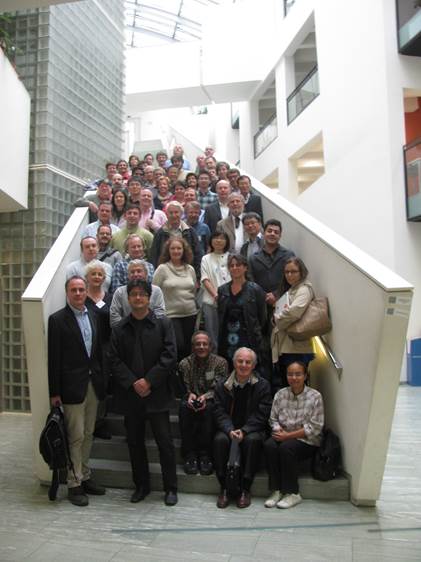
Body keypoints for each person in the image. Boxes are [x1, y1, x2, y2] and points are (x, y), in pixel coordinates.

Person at [109, 279, 178, 506]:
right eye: (134, 294)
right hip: (131, 396)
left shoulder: (163, 324)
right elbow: (114, 360)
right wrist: (133, 383)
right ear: (128, 298)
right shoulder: (119, 329)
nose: (138, 298)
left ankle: (171, 488)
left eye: (142, 294)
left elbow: (169, 356)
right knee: (135, 443)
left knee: (165, 443)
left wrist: (149, 381)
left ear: (149, 298)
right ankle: (141, 486)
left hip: (157, 394)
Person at [48, 276, 107, 506]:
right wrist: (54, 392)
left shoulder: (93, 316)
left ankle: (85, 474)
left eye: (82, 289)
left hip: (93, 384)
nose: (78, 293)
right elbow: (54, 359)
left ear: (86, 292)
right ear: (67, 293)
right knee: (76, 435)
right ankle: (74, 483)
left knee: (89, 433)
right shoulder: (57, 320)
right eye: (74, 290)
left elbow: (98, 352)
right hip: (71, 387)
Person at [213, 347, 272, 509]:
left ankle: (245, 489)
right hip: (229, 429)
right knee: (219, 441)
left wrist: (245, 430)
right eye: (240, 361)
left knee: (252, 441)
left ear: (253, 365)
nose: (244, 365)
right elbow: (218, 411)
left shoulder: (263, 385)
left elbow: (263, 413)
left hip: (252, 429)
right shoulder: (222, 385)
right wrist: (229, 429)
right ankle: (224, 488)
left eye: (248, 362)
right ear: (234, 363)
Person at [264, 361, 324, 509]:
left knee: (287, 447)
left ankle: (293, 492)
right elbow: (273, 419)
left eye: (298, 374)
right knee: (269, 445)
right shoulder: (280, 394)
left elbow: (315, 427)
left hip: (307, 441)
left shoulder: (315, 396)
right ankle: (276, 490)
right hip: (283, 435)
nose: (294, 378)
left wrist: (287, 436)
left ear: (305, 376)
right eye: (290, 374)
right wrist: (278, 430)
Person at [178, 331, 228, 476]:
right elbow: (184, 386)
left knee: (209, 409)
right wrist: (190, 395)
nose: (201, 347)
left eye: (204, 344)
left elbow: (220, 387)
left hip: (212, 399)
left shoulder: (220, 363)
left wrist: (205, 397)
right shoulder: (184, 364)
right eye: (198, 344)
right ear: (193, 347)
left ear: (210, 346)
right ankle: (189, 454)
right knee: (184, 407)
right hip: (191, 398)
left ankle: (205, 455)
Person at [271, 257, 315, 391]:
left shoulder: (304, 289)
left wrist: (277, 319)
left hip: (297, 347)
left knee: (297, 386)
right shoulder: (292, 289)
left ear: (302, 272)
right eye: (287, 272)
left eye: (294, 271)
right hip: (287, 345)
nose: (289, 275)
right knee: (288, 385)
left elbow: (294, 312)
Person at [217, 253, 267, 372]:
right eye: (232, 265)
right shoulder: (222, 290)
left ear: (245, 267)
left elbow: (262, 317)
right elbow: (221, 315)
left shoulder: (255, 289)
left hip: (248, 338)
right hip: (227, 339)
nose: (235, 268)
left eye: (238, 265)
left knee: (247, 369)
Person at [153, 237, 198, 362]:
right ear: (168, 251)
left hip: (190, 314)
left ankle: (185, 371)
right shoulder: (162, 269)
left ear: (184, 250)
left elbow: (194, 290)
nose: (176, 251)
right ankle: (173, 371)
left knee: (188, 347)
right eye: (173, 248)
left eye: (179, 248)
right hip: (171, 315)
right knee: (178, 345)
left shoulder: (190, 269)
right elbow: (154, 292)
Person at [84, 261, 113, 440]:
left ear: (104, 278)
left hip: (105, 348)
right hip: (86, 348)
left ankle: (99, 422)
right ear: (87, 277)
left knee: (103, 384)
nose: (96, 277)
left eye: (99, 274)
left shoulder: (109, 297)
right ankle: (88, 422)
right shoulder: (81, 297)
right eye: (93, 274)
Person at [150, 200, 202, 279]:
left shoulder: (190, 232)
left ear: (181, 214)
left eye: (176, 212)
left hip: (187, 272)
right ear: (166, 215)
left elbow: (198, 255)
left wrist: (197, 277)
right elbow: (154, 255)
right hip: (166, 274)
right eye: (171, 213)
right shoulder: (160, 233)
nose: (174, 215)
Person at [110, 260, 166, 327]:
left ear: (146, 274)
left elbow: (160, 313)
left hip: (152, 329)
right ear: (128, 275)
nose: (135, 274)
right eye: (132, 272)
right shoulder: (120, 292)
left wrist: (148, 329)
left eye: (139, 271)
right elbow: (114, 316)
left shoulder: (156, 291)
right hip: (125, 330)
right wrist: (127, 329)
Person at [200, 231, 231, 348]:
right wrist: (216, 295)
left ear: (227, 242)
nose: (218, 240)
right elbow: (205, 279)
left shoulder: (231, 257)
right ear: (211, 241)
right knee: (212, 334)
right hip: (210, 301)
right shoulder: (206, 258)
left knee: (229, 333)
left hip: (230, 301)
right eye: (216, 238)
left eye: (222, 238)